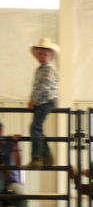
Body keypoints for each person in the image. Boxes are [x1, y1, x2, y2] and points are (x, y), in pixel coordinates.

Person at [28, 38, 59, 168]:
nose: (42, 56)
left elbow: (44, 86)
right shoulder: (40, 69)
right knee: (37, 128)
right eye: (40, 54)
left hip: (46, 101)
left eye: (45, 54)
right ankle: (47, 156)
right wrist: (33, 99)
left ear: (50, 56)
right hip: (42, 101)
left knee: (35, 128)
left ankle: (37, 158)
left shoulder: (48, 69)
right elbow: (36, 87)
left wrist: (34, 101)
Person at [0, 120, 28, 207]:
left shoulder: (10, 142)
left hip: (11, 180)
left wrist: (15, 145)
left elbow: (18, 164)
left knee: (22, 197)